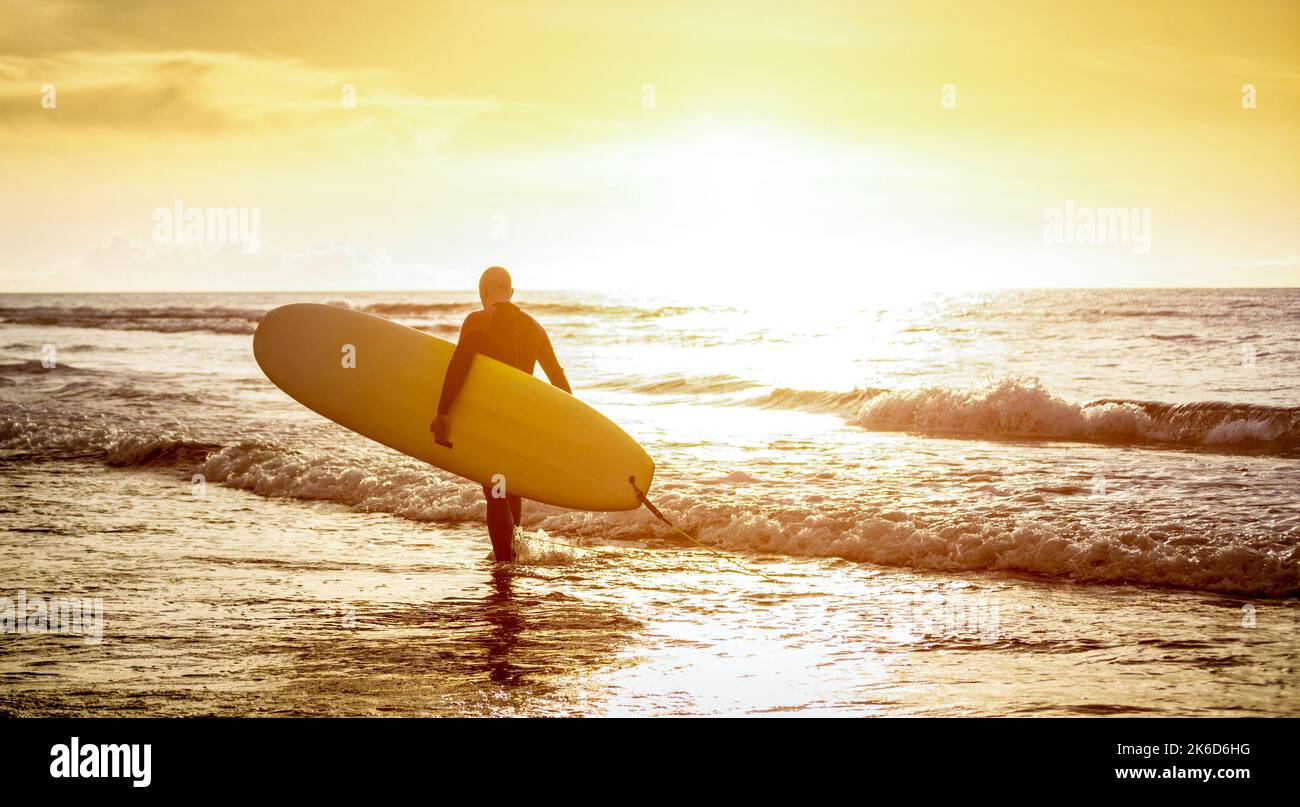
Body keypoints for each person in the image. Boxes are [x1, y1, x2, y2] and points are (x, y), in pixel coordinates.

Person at [431, 266, 571, 562]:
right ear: (511, 291)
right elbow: (558, 382)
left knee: (495, 491)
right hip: (522, 422)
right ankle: (514, 554)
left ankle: (504, 568)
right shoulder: (535, 327)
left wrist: (443, 413)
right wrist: (570, 428)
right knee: (511, 486)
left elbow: (459, 366)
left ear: (483, 293)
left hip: (492, 418)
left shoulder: (478, 320)